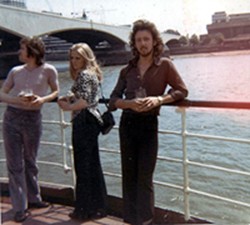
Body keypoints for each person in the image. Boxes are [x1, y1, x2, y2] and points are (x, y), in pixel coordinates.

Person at [109, 19, 188, 225]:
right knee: (129, 176)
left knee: (145, 178)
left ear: (154, 42)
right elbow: (113, 100)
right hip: (127, 125)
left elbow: (182, 90)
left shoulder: (165, 65)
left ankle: (145, 221)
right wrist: (129, 104)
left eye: (146, 39)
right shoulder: (127, 70)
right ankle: (130, 221)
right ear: (134, 44)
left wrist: (159, 99)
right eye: (138, 40)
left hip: (148, 126)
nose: (142, 43)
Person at [0, 36, 59, 222]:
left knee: (30, 161)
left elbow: (56, 91)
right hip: (12, 118)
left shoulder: (49, 70)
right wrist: (17, 100)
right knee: (15, 165)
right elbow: (2, 93)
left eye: (22, 48)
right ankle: (20, 208)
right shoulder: (15, 71)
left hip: (33, 118)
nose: (19, 52)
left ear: (32, 51)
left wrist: (42, 100)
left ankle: (34, 199)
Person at [57, 43, 107, 221]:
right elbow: (84, 94)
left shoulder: (84, 75)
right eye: (72, 58)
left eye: (78, 58)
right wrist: (70, 96)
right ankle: (99, 206)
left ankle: (83, 210)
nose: (74, 61)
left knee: (83, 166)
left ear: (86, 57)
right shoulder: (91, 74)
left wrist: (67, 106)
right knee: (92, 165)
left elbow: (84, 101)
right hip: (92, 122)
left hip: (84, 121)